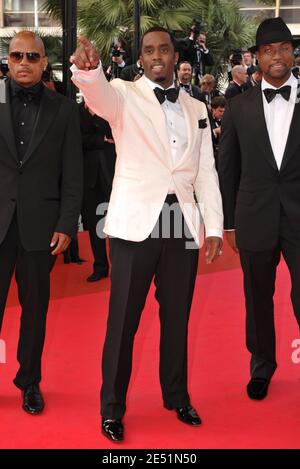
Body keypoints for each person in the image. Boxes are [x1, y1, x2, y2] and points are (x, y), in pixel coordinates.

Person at [71, 26, 223, 442]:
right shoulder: (125, 94)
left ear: (176, 57)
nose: (157, 55)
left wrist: (213, 226)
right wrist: (89, 72)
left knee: (177, 319)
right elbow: (98, 95)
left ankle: (177, 396)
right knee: (123, 322)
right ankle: (112, 408)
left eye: (164, 49)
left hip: (183, 224)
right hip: (137, 223)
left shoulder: (196, 106)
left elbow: (206, 170)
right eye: (149, 50)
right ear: (141, 58)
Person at [0, 31, 83, 414]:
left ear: (44, 62)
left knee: (35, 311)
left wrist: (67, 223)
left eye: (32, 56)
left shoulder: (63, 109)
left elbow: (74, 173)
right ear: (8, 58)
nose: (24, 62)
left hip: (41, 227)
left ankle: (29, 382)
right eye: (17, 55)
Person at [218, 18, 300, 401]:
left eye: (284, 48)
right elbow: (227, 168)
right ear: (257, 58)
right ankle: (262, 366)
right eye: (269, 51)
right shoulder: (236, 107)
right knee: (257, 297)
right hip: (254, 216)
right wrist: (229, 224)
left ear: (293, 52)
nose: (278, 57)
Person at [79, 101, 116, 282]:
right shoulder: (75, 111)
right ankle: (100, 267)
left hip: (115, 176)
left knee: (118, 225)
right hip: (89, 179)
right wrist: (100, 140)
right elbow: (76, 139)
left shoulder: (109, 107)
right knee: (95, 226)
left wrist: (96, 116)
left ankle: (119, 266)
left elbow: (114, 134)